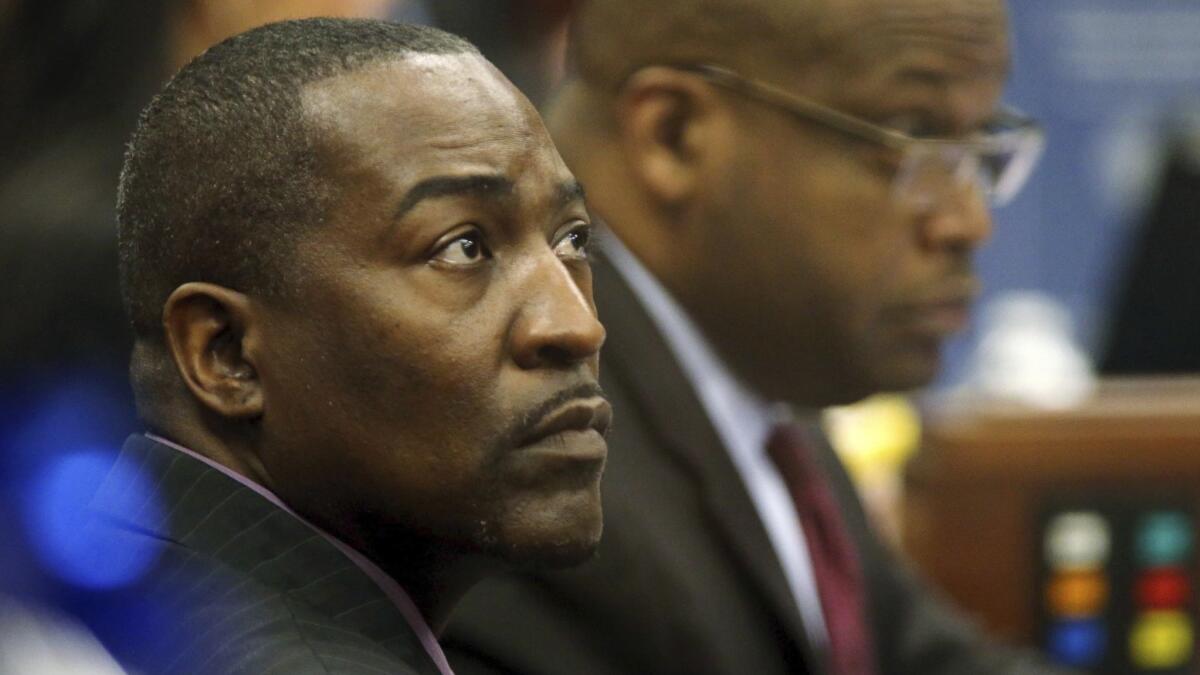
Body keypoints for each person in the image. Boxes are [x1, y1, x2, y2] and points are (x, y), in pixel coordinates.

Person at [443, 0, 1066, 673]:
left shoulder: (755, 365)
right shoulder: (527, 470)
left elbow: (923, 656)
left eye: (978, 148)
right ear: (673, 134)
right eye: (912, 136)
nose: (968, 221)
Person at [90, 18, 609, 674]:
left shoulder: (98, 605)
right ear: (226, 353)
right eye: (463, 247)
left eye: (573, 240)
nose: (576, 324)